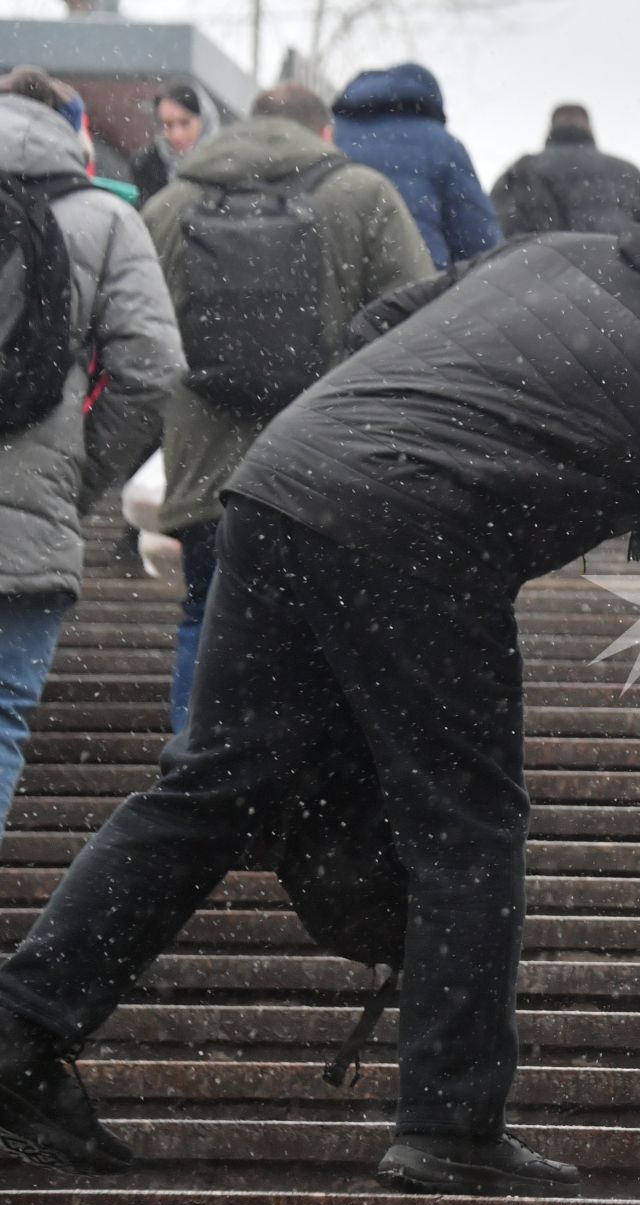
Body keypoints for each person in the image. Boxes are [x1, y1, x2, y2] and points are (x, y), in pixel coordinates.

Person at [0, 211, 640, 1197]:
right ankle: (447, 1123)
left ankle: (21, 1027)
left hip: (281, 486)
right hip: (418, 534)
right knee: (467, 830)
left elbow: (384, 316)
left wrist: (370, 429)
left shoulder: (568, 253)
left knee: (208, 791)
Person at [142, 84, 436, 733]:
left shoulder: (168, 206)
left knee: (205, 621)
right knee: (331, 644)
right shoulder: (363, 196)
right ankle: (313, 808)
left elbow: (137, 341)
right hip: (330, 478)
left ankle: (194, 789)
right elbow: (418, 332)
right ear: (322, 133)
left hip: (209, 481)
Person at [0, 69, 184, 835]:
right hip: (34, 503)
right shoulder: (105, 220)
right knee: (2, 712)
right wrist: (80, 473)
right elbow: (151, 368)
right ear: (76, 130)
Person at [330, 62, 501, 269]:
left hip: (337, 281)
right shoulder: (442, 144)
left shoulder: (330, 136)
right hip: (420, 289)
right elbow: (477, 239)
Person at [490, 103, 640, 236]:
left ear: (550, 128)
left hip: (542, 274)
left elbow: (494, 228)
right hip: (611, 275)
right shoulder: (629, 173)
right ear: (589, 127)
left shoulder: (521, 170)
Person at [129, 83, 205, 206]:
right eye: (168, 124)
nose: (177, 135)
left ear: (203, 121)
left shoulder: (222, 165)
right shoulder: (145, 166)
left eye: (185, 122)